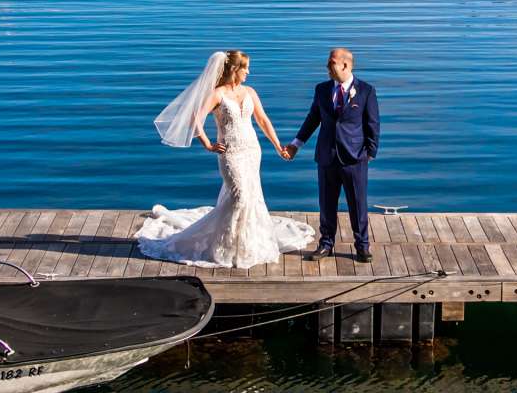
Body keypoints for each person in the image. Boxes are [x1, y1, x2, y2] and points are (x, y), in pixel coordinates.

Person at [135, 50, 317, 268]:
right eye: (245, 68)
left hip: (251, 150)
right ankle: (225, 246)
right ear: (234, 70)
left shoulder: (249, 92)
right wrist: (208, 144)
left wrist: (279, 146)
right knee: (238, 196)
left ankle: (246, 243)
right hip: (230, 153)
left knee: (251, 197)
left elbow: (263, 120)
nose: (248, 72)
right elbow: (196, 119)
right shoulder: (217, 94)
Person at [289, 47, 379, 264]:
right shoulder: (321, 89)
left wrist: (370, 152)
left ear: (345, 65)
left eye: (331, 63)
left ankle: (362, 246)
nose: (327, 67)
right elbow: (312, 119)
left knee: (357, 204)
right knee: (326, 203)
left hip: (354, 157)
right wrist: (296, 144)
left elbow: (373, 123)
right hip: (327, 156)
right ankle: (326, 243)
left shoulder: (366, 91)